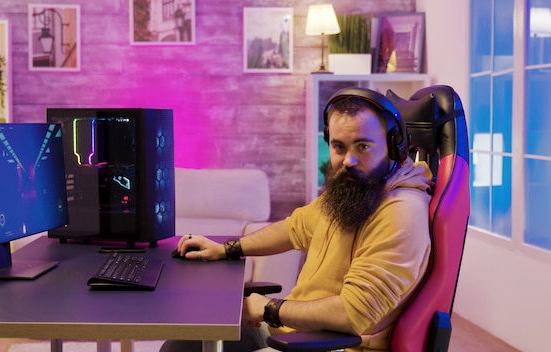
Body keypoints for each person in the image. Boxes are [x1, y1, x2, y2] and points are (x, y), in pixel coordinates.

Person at [160, 87, 433, 352]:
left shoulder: (400, 213)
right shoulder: (355, 190)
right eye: (339, 146)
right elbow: (294, 228)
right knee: (183, 342)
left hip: (335, 345)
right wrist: (226, 249)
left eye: (363, 146)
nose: (348, 160)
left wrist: (270, 309)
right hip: (296, 331)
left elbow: (354, 314)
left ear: (395, 148)